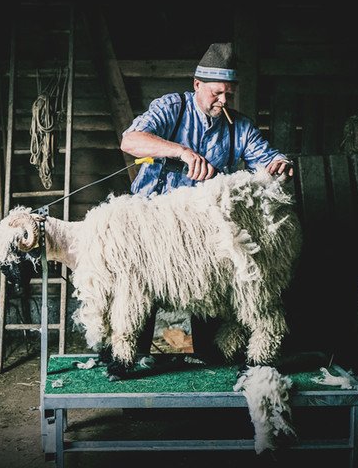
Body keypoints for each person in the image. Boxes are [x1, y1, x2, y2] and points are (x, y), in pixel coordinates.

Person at [120, 42, 294, 363]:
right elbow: (130, 140)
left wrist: (278, 164)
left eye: (229, 94)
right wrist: (181, 152)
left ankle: (195, 360)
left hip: (201, 232)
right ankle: (140, 360)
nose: (223, 101)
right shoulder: (172, 108)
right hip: (152, 225)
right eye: (216, 93)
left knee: (202, 293)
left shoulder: (239, 127)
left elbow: (266, 159)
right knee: (144, 296)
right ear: (197, 84)